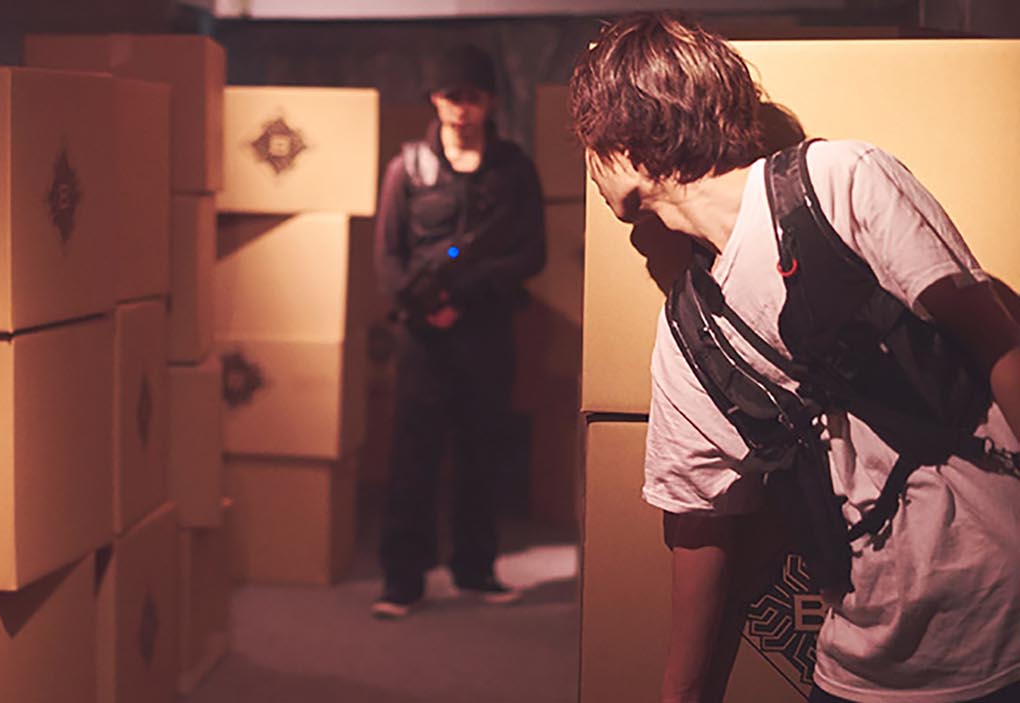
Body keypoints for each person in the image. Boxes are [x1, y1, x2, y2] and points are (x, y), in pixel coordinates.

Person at [569, 13, 1020, 702]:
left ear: (624, 140)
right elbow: (702, 527)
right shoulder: (689, 333)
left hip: (1002, 617)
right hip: (859, 662)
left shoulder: (838, 181)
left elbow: (997, 343)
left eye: (590, 143)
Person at [371, 44, 547, 619]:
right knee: (412, 457)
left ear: (491, 101)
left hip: (487, 330)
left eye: (472, 96)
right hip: (423, 339)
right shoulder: (407, 168)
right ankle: (402, 581)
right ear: (434, 99)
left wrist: (468, 293)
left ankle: (475, 568)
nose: (462, 108)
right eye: (451, 96)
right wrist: (422, 306)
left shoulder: (514, 168)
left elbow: (532, 252)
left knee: (482, 451)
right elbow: (388, 256)